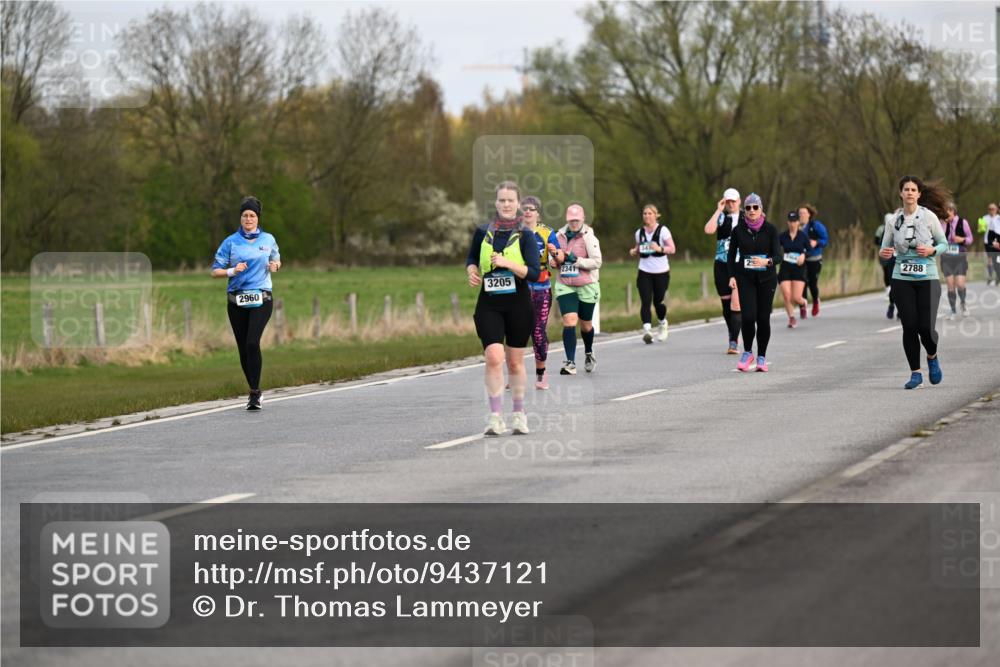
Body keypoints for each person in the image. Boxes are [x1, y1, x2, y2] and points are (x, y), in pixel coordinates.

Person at [466, 181, 541, 436]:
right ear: (496, 203)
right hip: (489, 302)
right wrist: (472, 271)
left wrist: (508, 263)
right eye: (502, 200)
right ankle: (495, 416)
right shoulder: (482, 231)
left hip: (518, 303)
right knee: (494, 357)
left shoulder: (526, 235)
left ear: (518, 204)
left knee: (515, 363)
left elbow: (533, 273)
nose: (506, 204)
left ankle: (519, 414)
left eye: (510, 200)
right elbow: (472, 258)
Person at [879, 176, 950, 390]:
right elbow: (884, 251)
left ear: (919, 194)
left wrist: (932, 250)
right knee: (909, 326)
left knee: (925, 329)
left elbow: (943, 243)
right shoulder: (893, 221)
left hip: (927, 277)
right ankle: (915, 373)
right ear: (901, 194)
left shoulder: (929, 218)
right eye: (906, 189)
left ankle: (932, 355)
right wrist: (885, 253)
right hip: (902, 278)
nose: (909, 192)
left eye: (913, 189)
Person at [211, 196, 281, 410]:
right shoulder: (230, 242)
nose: (248, 219)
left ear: (258, 218)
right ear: (240, 218)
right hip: (236, 300)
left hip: (262, 297)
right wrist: (232, 270)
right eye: (245, 216)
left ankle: (255, 393)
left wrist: (275, 266)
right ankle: (254, 390)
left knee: (252, 342)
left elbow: (277, 259)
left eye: (252, 215)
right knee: (243, 348)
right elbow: (215, 271)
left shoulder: (268, 239)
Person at [727, 193, 781, 372]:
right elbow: (731, 255)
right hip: (746, 278)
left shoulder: (771, 230)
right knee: (748, 317)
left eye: (755, 207)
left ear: (761, 209)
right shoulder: (738, 230)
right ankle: (748, 351)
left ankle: (762, 357)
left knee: (763, 318)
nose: (751, 211)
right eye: (748, 207)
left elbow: (778, 256)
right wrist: (732, 275)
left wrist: (767, 262)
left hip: (767, 279)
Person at [549, 203, 602, 374]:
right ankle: (570, 362)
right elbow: (555, 260)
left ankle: (588, 351)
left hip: (587, 285)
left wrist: (575, 260)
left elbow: (597, 262)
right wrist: (554, 261)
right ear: (567, 219)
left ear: (583, 219)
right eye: (571, 220)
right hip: (565, 285)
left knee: (586, 325)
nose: (574, 223)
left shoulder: (589, 237)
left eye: (577, 220)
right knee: (569, 320)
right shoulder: (558, 236)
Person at [521, 195, 559, 389]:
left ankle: (541, 374)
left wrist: (555, 255)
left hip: (541, 287)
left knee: (537, 331)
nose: (527, 211)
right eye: (524, 208)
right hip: (518, 286)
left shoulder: (547, 233)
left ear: (538, 212)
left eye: (531, 208)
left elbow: (558, 257)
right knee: (516, 330)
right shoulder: (513, 232)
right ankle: (514, 374)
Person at [703, 187, 743, 353]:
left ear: (739, 201)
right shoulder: (722, 218)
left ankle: (733, 342)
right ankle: (732, 332)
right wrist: (718, 209)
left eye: (734, 201)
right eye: (728, 201)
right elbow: (708, 230)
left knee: (736, 302)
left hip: (739, 264)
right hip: (721, 264)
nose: (731, 204)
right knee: (726, 304)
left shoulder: (747, 217)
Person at [629, 204, 675, 343]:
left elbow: (672, 248)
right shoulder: (639, 233)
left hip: (661, 271)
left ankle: (662, 323)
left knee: (658, 301)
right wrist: (634, 251)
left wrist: (659, 248)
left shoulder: (663, 231)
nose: (647, 216)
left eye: (650, 213)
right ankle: (647, 330)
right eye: (644, 213)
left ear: (656, 215)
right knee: (645, 300)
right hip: (644, 271)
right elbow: (639, 247)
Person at [940, 202, 973, 319]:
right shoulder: (941, 223)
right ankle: (953, 310)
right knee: (950, 285)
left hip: (960, 256)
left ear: (953, 211)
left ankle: (963, 303)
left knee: (960, 284)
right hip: (946, 257)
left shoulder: (962, 222)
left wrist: (962, 239)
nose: (944, 214)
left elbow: (970, 239)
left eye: (946, 212)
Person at [778, 210, 809, 328]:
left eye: (795, 221)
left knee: (795, 297)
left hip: (799, 268)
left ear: (798, 222)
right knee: (786, 295)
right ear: (787, 222)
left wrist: (804, 255)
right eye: (790, 221)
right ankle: (791, 318)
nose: (792, 224)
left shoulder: (803, 236)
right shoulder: (782, 236)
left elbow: (810, 250)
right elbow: (775, 248)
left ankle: (803, 303)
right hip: (785, 267)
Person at [798, 203, 829, 316]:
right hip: (801, 260)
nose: (801, 215)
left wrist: (817, 242)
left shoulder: (816, 225)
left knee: (812, 283)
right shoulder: (796, 226)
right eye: (800, 213)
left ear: (809, 214)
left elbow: (825, 239)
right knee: (802, 283)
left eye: (804, 213)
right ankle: (803, 307)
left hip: (814, 259)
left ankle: (816, 301)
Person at [875, 214, 897, 319]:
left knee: (905, 286)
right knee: (894, 284)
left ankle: (902, 310)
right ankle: (892, 304)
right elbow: (881, 244)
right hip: (892, 259)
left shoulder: (912, 227)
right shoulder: (888, 229)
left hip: (907, 261)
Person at [982, 202, 1000, 285]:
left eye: (993, 209)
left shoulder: (998, 218)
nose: (991, 210)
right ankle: (990, 276)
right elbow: (981, 230)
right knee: (990, 260)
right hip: (988, 242)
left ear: (996, 210)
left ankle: (997, 276)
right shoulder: (984, 218)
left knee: (997, 260)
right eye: (989, 209)